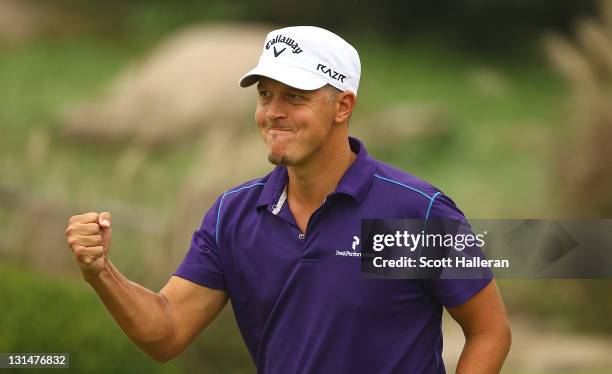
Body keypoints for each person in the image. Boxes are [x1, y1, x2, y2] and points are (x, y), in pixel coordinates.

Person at [65, 26, 511, 373]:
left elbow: (490, 331)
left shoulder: (415, 213)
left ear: (342, 107)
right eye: (265, 95)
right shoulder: (234, 217)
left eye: (294, 97)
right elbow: (166, 333)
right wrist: (100, 272)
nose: (273, 112)